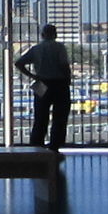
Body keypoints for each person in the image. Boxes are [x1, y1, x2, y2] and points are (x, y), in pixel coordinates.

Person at [15, 24, 73, 155]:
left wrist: (32, 76)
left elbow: (19, 63)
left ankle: (36, 146)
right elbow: (64, 66)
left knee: (40, 117)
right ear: (55, 34)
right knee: (60, 117)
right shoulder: (60, 47)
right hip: (59, 84)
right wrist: (68, 80)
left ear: (42, 35)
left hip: (41, 83)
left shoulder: (36, 49)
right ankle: (54, 146)